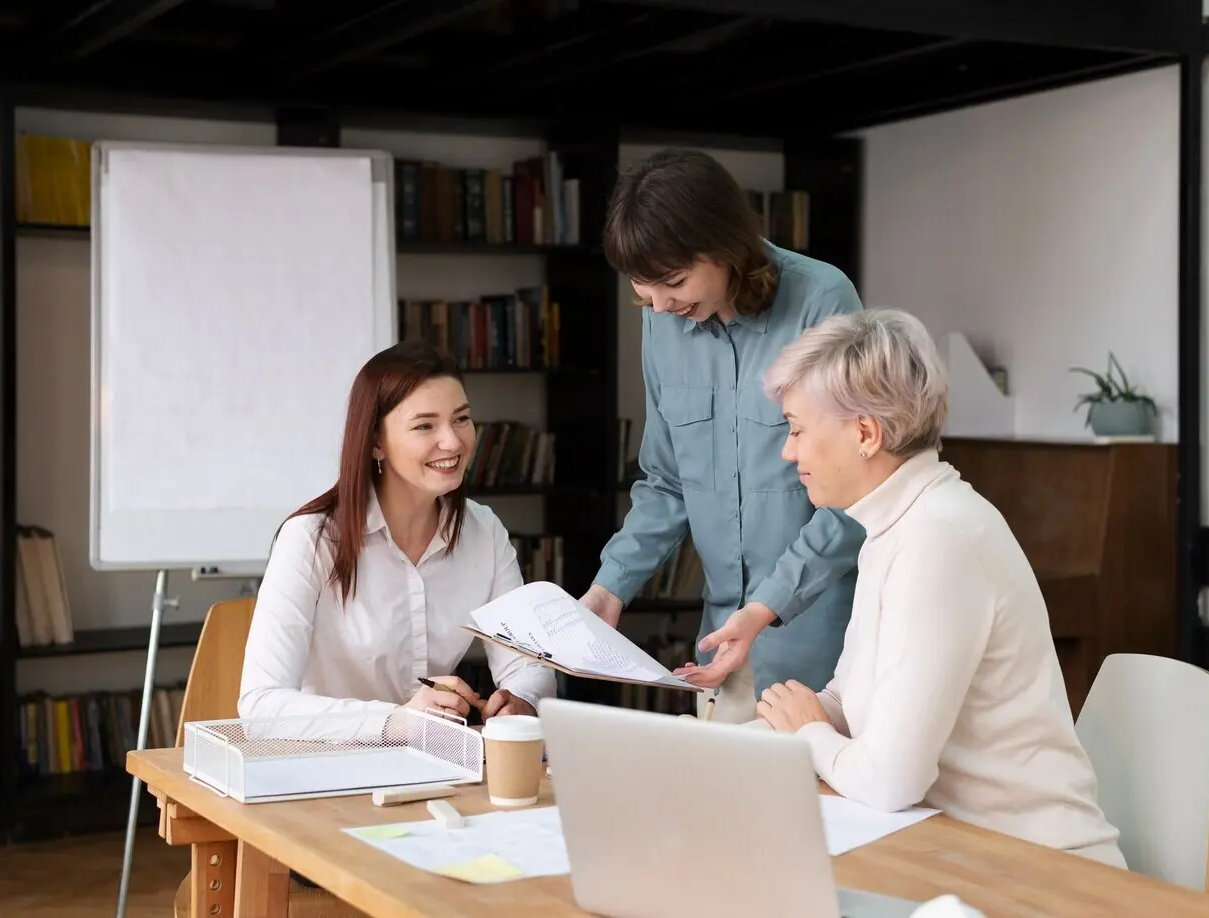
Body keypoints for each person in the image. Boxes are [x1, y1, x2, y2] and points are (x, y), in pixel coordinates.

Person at [752, 308, 1126, 868]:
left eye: (797, 429)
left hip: (1042, 867)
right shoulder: (895, 526)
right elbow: (845, 702)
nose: (789, 451)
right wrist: (727, 745)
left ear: (865, 433)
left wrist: (808, 731)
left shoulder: (939, 537)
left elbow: (889, 782)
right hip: (955, 848)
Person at [577, 148, 866, 721]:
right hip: (722, 643)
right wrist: (611, 588)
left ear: (725, 245)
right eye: (642, 289)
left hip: (822, 642)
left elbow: (856, 489)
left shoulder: (821, 301)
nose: (660, 305)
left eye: (674, 282)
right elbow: (666, 482)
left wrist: (769, 603)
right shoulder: (662, 319)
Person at [239, 340, 557, 728]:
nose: (453, 441)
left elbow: (527, 664)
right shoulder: (310, 539)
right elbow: (261, 703)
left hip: (434, 756)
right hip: (328, 759)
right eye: (425, 426)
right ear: (376, 442)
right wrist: (397, 720)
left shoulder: (484, 532)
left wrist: (521, 699)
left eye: (461, 419)